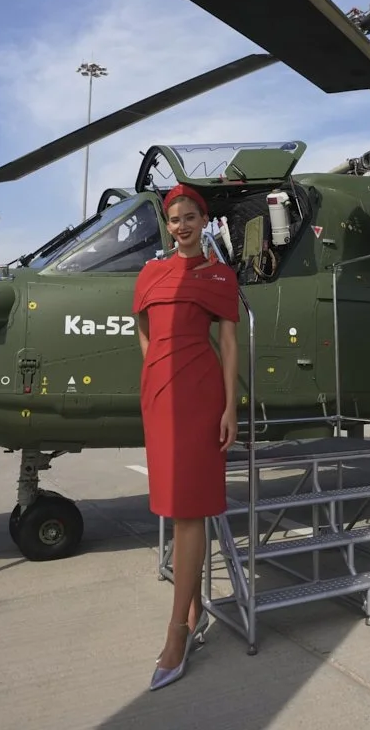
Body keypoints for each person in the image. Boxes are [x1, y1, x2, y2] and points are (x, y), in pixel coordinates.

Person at [132, 183, 239, 691]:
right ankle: (194, 611)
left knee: (188, 509)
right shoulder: (150, 274)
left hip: (200, 394)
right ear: (167, 225)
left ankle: (177, 631)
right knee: (173, 505)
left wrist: (230, 407)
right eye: (175, 219)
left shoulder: (219, 274)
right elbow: (144, 331)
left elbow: (230, 343)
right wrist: (155, 371)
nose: (182, 226)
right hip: (159, 395)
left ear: (204, 221)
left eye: (191, 217)